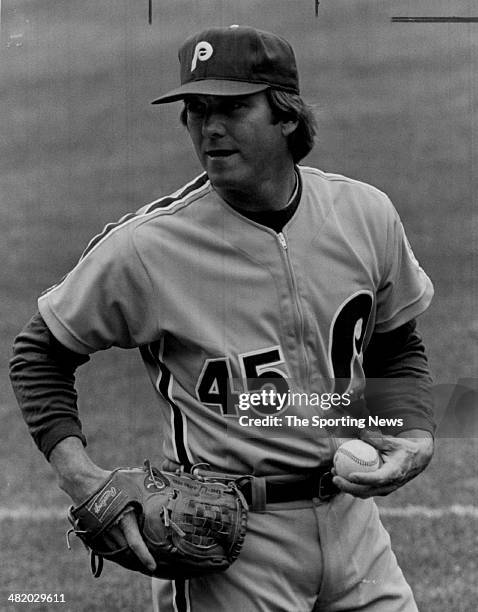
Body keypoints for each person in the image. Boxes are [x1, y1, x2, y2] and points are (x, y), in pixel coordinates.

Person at [10, 25, 435, 611]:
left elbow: (395, 342)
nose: (209, 128)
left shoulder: (366, 214)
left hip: (356, 526)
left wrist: (412, 433)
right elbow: (40, 353)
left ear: (287, 116)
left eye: (232, 108)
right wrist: (81, 477)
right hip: (230, 546)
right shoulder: (148, 247)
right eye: (195, 110)